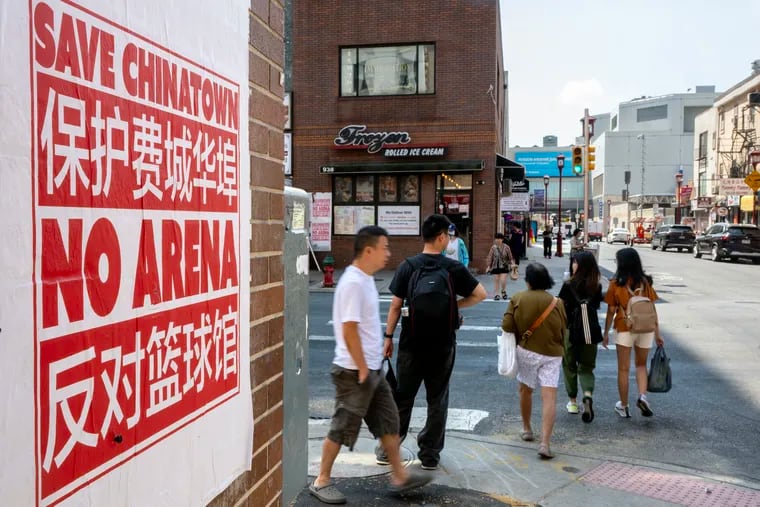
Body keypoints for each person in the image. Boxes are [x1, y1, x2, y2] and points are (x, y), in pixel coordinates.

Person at [311, 226, 431, 504]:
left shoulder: (365, 279)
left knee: (389, 422)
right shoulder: (353, 282)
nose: (387, 254)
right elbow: (350, 328)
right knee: (342, 426)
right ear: (368, 250)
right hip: (353, 371)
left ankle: (399, 476)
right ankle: (322, 480)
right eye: (384, 248)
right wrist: (364, 368)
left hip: (372, 369)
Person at [378, 214, 487, 471]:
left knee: (402, 397)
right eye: (447, 236)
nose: (448, 240)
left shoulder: (408, 266)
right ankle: (429, 455)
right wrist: (454, 306)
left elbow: (395, 307)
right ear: (440, 238)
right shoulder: (452, 268)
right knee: (437, 399)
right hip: (443, 345)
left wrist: (388, 338)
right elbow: (481, 294)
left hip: (410, 344)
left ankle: (388, 450)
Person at [501, 263, 567, 460]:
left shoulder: (518, 298)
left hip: (527, 351)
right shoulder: (557, 302)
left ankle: (527, 428)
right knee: (549, 396)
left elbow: (507, 325)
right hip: (552, 353)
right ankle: (545, 443)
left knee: (526, 390)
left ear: (528, 280)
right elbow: (563, 328)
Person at [603, 247, 665, 418]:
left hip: (624, 327)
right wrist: (658, 334)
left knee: (623, 369)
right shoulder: (645, 282)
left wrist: (606, 332)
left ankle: (623, 406)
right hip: (646, 328)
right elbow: (652, 309)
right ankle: (643, 396)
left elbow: (611, 310)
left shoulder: (616, 284)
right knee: (641, 365)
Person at [558, 251, 603, 423]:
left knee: (569, 366)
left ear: (581, 265)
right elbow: (596, 306)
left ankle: (573, 402)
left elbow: (560, 307)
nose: (573, 265)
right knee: (587, 367)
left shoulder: (568, 285)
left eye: (575, 262)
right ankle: (587, 395)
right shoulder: (596, 286)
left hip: (571, 331)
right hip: (590, 331)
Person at [485, 232, 514, 300]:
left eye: (499, 238)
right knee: (497, 280)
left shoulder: (507, 247)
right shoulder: (493, 247)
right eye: (496, 238)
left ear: (502, 239)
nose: (498, 240)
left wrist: (513, 265)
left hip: (504, 266)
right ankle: (497, 294)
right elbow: (490, 257)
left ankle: (503, 291)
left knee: (503, 280)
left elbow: (510, 257)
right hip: (495, 266)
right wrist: (488, 266)